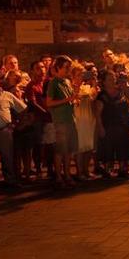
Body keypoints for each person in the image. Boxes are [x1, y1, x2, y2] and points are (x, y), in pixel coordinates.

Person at [94, 71, 129, 178]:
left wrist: (126, 84)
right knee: (108, 148)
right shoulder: (101, 96)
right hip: (108, 125)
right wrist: (100, 128)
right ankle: (108, 169)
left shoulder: (121, 91)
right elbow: (97, 114)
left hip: (122, 124)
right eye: (109, 79)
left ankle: (123, 168)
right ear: (104, 82)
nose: (112, 80)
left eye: (113, 78)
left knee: (123, 146)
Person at [46, 56, 78, 188]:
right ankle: (59, 176)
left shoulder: (67, 81)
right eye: (66, 67)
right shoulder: (54, 83)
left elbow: (70, 99)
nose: (68, 70)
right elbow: (49, 103)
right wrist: (68, 99)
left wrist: (74, 100)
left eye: (69, 67)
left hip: (70, 119)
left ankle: (67, 174)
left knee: (68, 150)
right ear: (57, 68)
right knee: (60, 150)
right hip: (60, 121)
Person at [71, 64, 97, 179]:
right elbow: (74, 99)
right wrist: (77, 86)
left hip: (89, 118)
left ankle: (86, 170)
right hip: (79, 119)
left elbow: (93, 98)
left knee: (89, 146)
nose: (80, 77)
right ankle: (79, 172)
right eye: (77, 75)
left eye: (82, 74)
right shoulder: (70, 87)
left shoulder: (86, 87)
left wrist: (94, 84)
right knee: (80, 147)